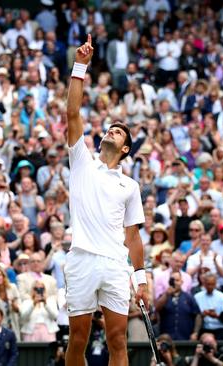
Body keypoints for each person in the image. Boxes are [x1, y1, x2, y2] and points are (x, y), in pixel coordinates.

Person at [64, 35, 147, 366]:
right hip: (82, 259)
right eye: (109, 129)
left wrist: (140, 279)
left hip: (115, 265)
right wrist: (80, 64)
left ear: (125, 148)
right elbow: (72, 114)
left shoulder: (130, 185)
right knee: (78, 341)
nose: (110, 132)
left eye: (117, 132)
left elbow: (134, 236)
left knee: (117, 341)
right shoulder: (82, 161)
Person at [156, 271, 201, 340]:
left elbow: (198, 315)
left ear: (182, 282)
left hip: (185, 338)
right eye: (172, 280)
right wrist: (166, 295)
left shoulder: (189, 298)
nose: (175, 283)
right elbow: (157, 309)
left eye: (177, 280)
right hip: (167, 339)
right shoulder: (164, 296)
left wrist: (195, 333)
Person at [194, 272, 223, 340]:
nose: (210, 287)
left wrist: (216, 316)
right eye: (208, 284)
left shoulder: (222, 297)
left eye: (212, 284)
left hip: (220, 329)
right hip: (204, 329)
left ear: (215, 284)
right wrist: (203, 314)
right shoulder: (197, 297)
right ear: (204, 284)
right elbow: (195, 315)